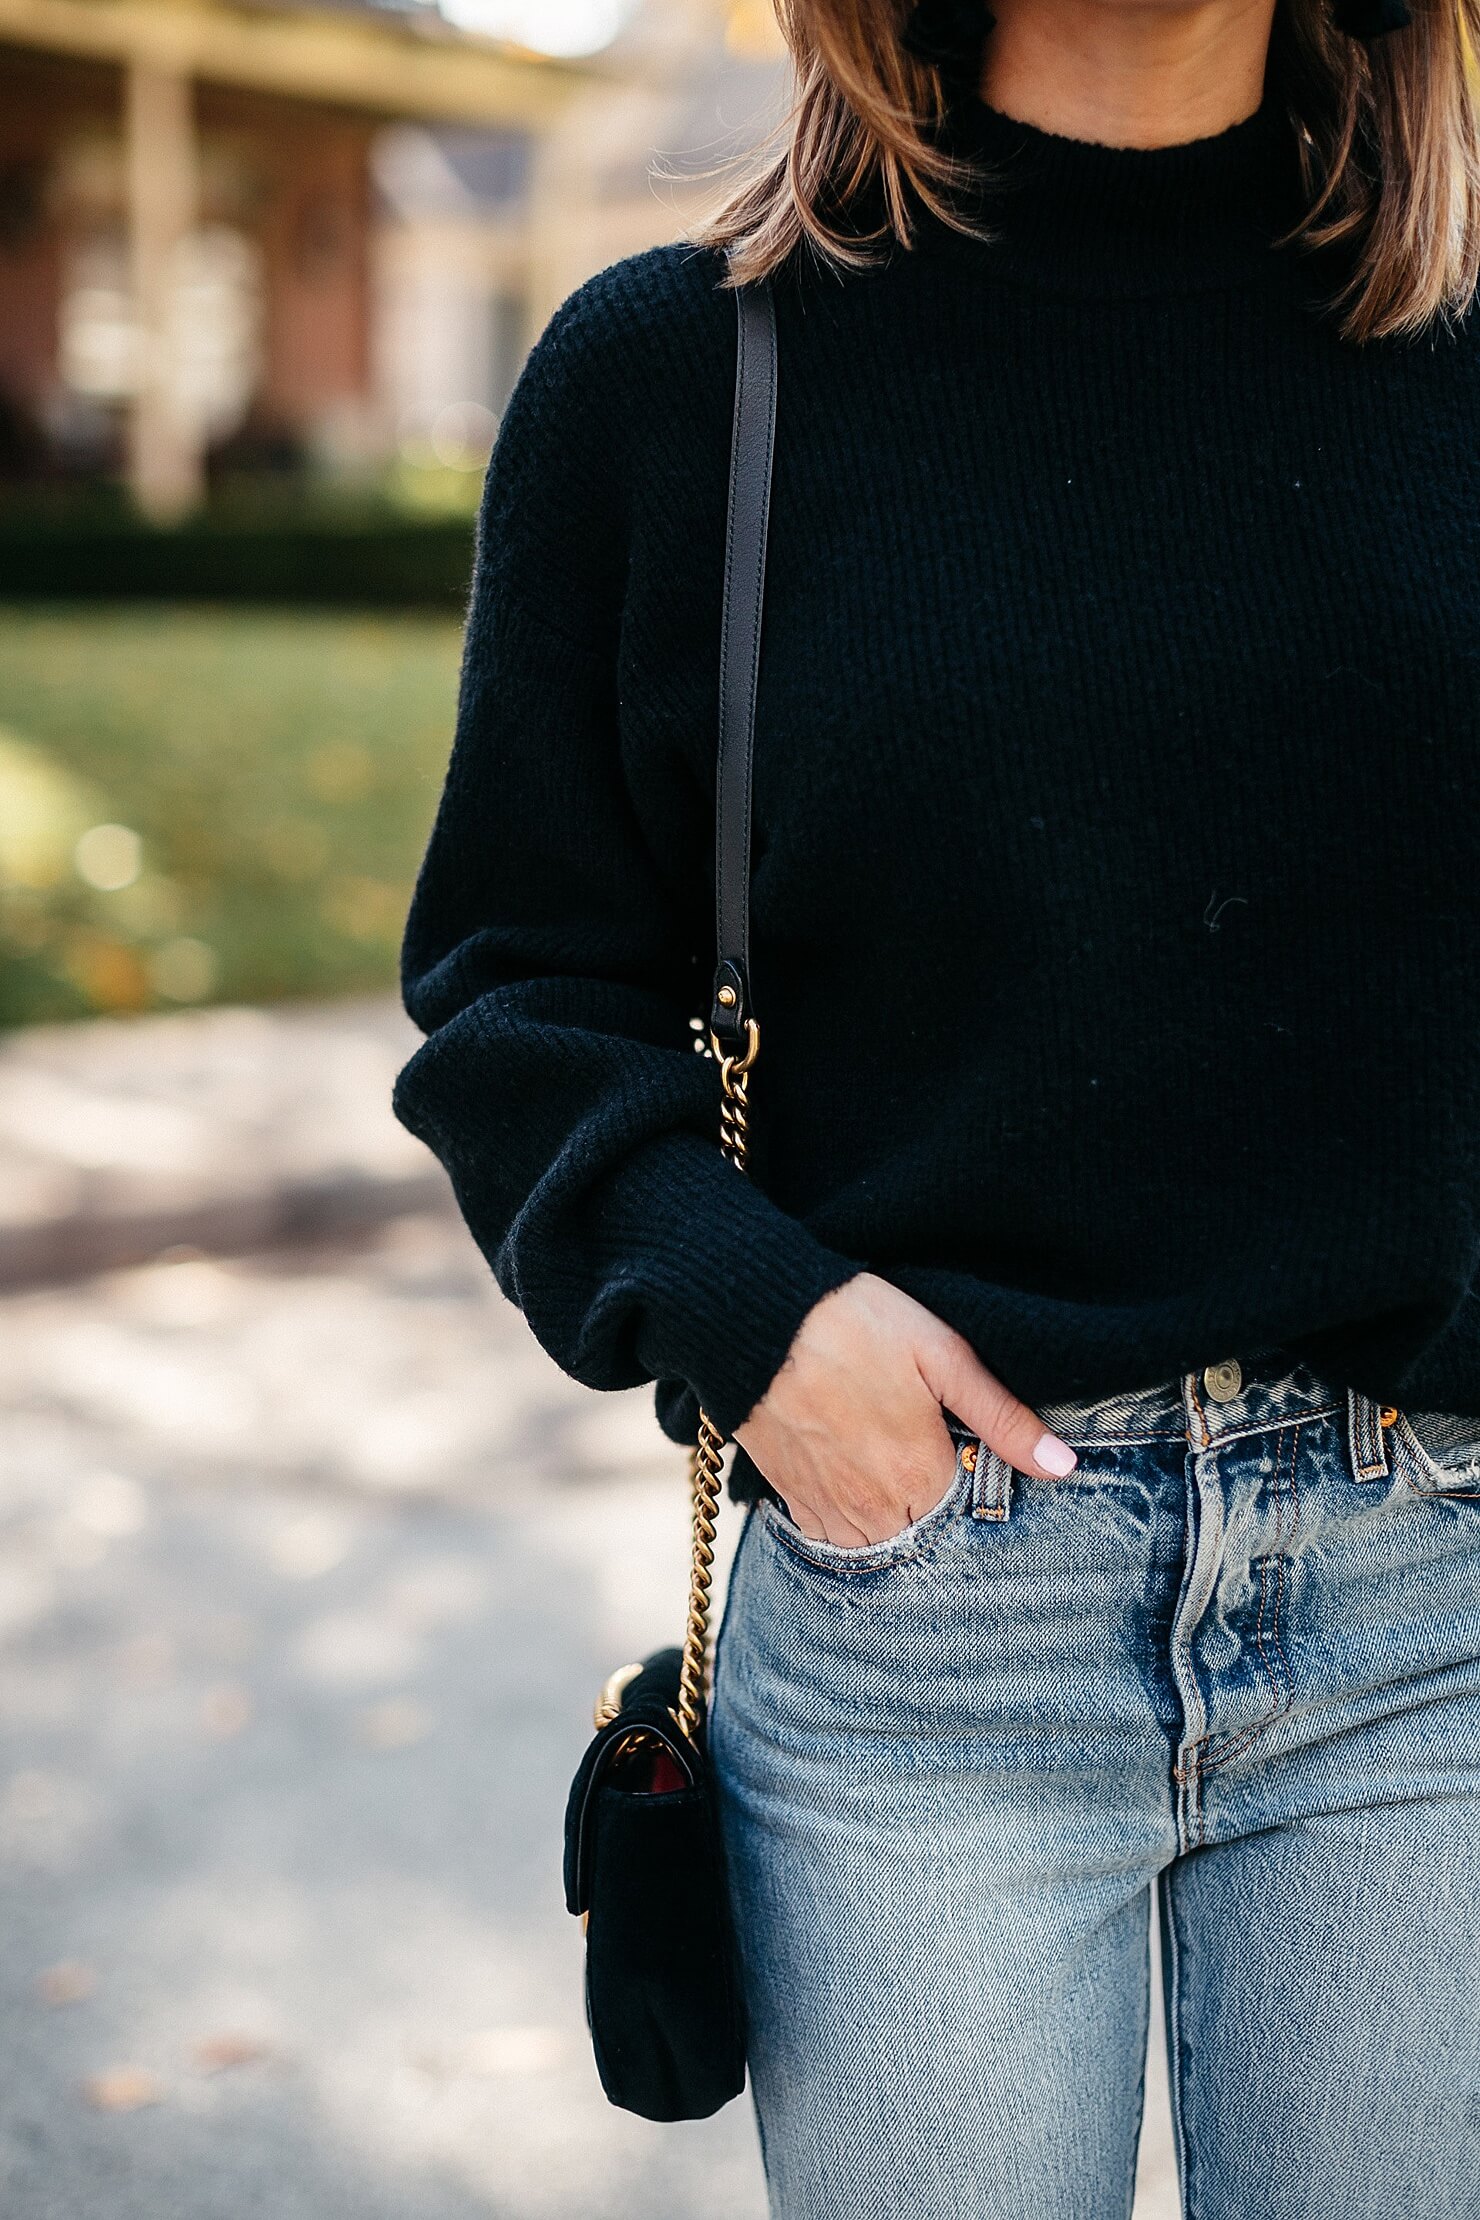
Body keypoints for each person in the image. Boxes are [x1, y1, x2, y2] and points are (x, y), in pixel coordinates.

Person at [394, 0, 1480, 2210]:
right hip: (922, 1631)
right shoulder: (677, 378)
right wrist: (754, 1320)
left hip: (1430, 1616)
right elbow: (517, 987)